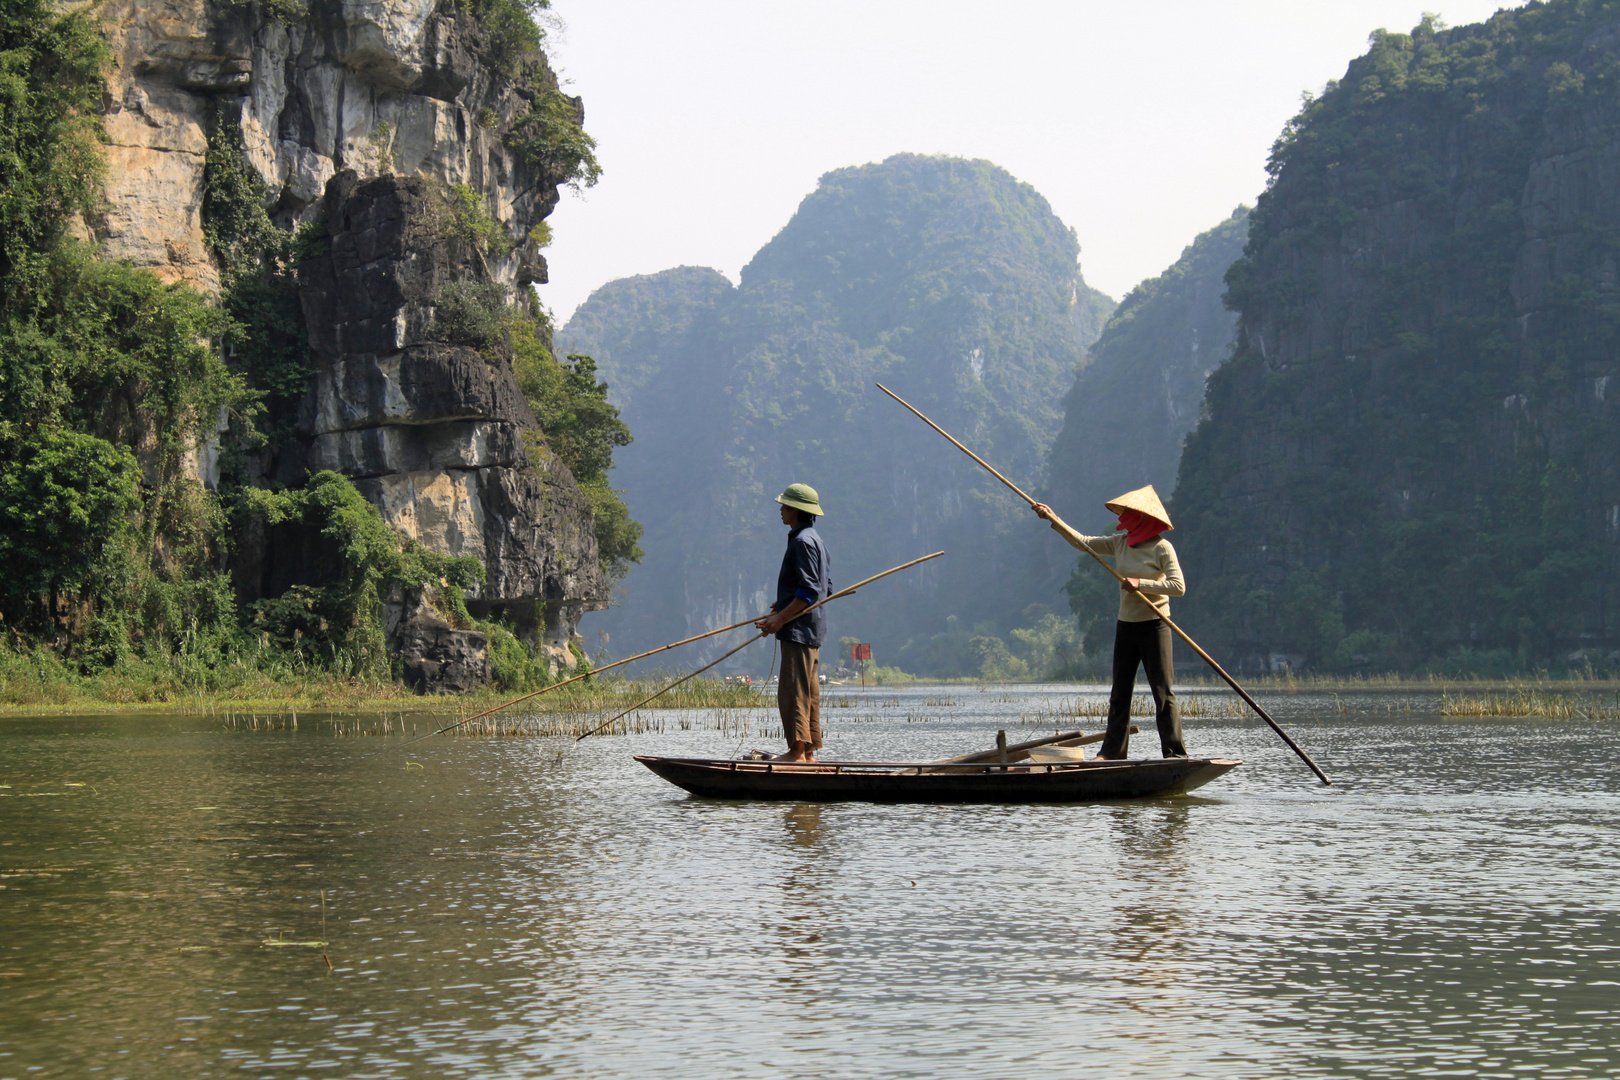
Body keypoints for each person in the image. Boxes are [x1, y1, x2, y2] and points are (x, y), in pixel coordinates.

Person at [1031, 485, 1187, 760]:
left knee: (1162, 693)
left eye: (1129, 512)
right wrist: (1052, 519)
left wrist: (1142, 584)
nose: (1123, 516)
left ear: (1143, 517)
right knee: (1120, 692)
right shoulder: (1121, 542)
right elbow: (1083, 542)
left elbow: (1178, 586)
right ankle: (1113, 752)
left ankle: (1174, 753)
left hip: (1156, 624)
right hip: (1126, 624)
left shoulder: (1163, 548)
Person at [754, 483, 832, 762]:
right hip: (812, 630)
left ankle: (797, 752)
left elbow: (810, 591)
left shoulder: (801, 542)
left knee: (793, 691)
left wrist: (780, 618)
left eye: (784, 506)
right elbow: (826, 588)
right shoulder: (816, 541)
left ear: (796, 511)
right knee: (809, 693)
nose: (780, 510)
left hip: (798, 631)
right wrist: (784, 604)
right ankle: (809, 754)